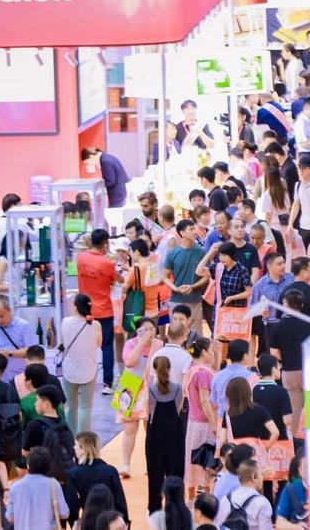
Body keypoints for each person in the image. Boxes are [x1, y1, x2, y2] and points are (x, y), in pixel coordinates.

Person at [270, 290, 310, 437]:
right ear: (302, 304)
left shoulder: (279, 326)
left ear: (285, 304)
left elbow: (274, 353)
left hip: (290, 371)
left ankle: (294, 438)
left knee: (294, 408)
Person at [144, 357, 186, 515]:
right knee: (175, 473)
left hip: (155, 434)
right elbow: (179, 408)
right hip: (174, 435)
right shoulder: (178, 389)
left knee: (154, 473)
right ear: (169, 369)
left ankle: (154, 508)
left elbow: (147, 413)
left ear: (155, 370)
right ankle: (175, 507)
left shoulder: (150, 390)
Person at [118, 316, 157, 478]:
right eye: (145, 329)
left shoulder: (159, 345)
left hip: (152, 388)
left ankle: (152, 464)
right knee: (130, 428)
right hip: (130, 385)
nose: (149, 333)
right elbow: (129, 362)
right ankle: (125, 464)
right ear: (138, 331)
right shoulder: (131, 344)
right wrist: (141, 342)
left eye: (151, 329)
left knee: (151, 429)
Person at [57, 293, 102, 435]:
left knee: (71, 406)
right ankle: (84, 439)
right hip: (89, 369)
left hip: (69, 370)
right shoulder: (95, 324)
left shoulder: (65, 322)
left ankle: (70, 437)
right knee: (85, 407)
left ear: (75, 307)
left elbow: (63, 342)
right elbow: (99, 344)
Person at [183, 338, 219, 500]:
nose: (212, 354)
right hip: (205, 424)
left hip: (193, 422)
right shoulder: (203, 373)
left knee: (192, 461)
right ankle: (207, 499)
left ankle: (191, 499)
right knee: (206, 462)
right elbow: (205, 401)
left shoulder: (192, 368)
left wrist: (217, 354)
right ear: (204, 352)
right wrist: (213, 424)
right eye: (211, 351)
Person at [5, 446, 67, 530]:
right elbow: (64, 513)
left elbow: (10, 517)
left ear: (28, 465)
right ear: (48, 465)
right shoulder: (54, 484)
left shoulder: (15, 487)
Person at [164, 220, 208, 332]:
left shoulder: (201, 252)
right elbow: (164, 276)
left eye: (194, 229)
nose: (195, 232)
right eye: (191, 229)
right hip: (176, 299)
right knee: (176, 332)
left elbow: (206, 277)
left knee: (196, 335)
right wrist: (175, 289)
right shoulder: (172, 253)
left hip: (195, 299)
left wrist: (193, 286)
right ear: (182, 233)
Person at [0, 297, 37, 384]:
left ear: (10, 311)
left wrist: (10, 354)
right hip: (0, 377)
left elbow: (32, 351)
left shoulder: (24, 326)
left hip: (22, 376)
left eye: (1, 316)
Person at [216, 460, 273, 530]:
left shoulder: (226, 500)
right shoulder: (262, 503)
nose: (262, 477)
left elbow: (219, 526)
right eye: (261, 474)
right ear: (253, 477)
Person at [274, 453, 309, 529]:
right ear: (300, 471)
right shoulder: (291, 489)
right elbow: (279, 523)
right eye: (306, 466)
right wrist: (296, 527)